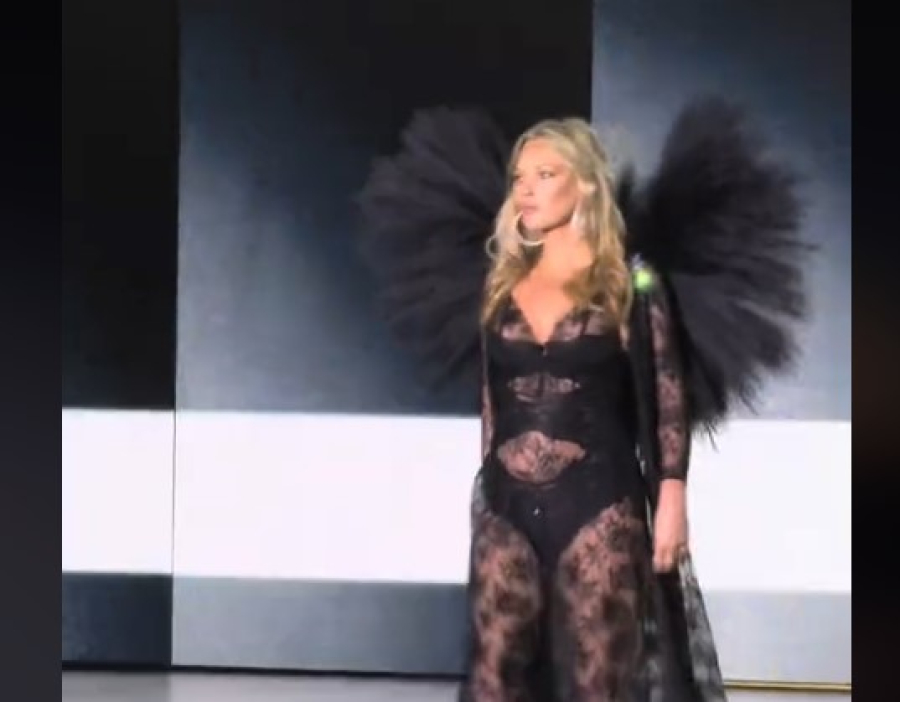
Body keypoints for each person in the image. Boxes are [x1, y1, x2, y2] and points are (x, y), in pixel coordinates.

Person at [357, 98, 808, 701]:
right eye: (520, 177)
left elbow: (667, 395)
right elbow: (493, 400)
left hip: (600, 508)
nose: (526, 189)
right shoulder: (502, 285)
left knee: (599, 681)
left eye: (545, 175)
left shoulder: (630, 282)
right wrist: (485, 492)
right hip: (506, 510)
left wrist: (672, 497)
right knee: (493, 674)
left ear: (586, 185)